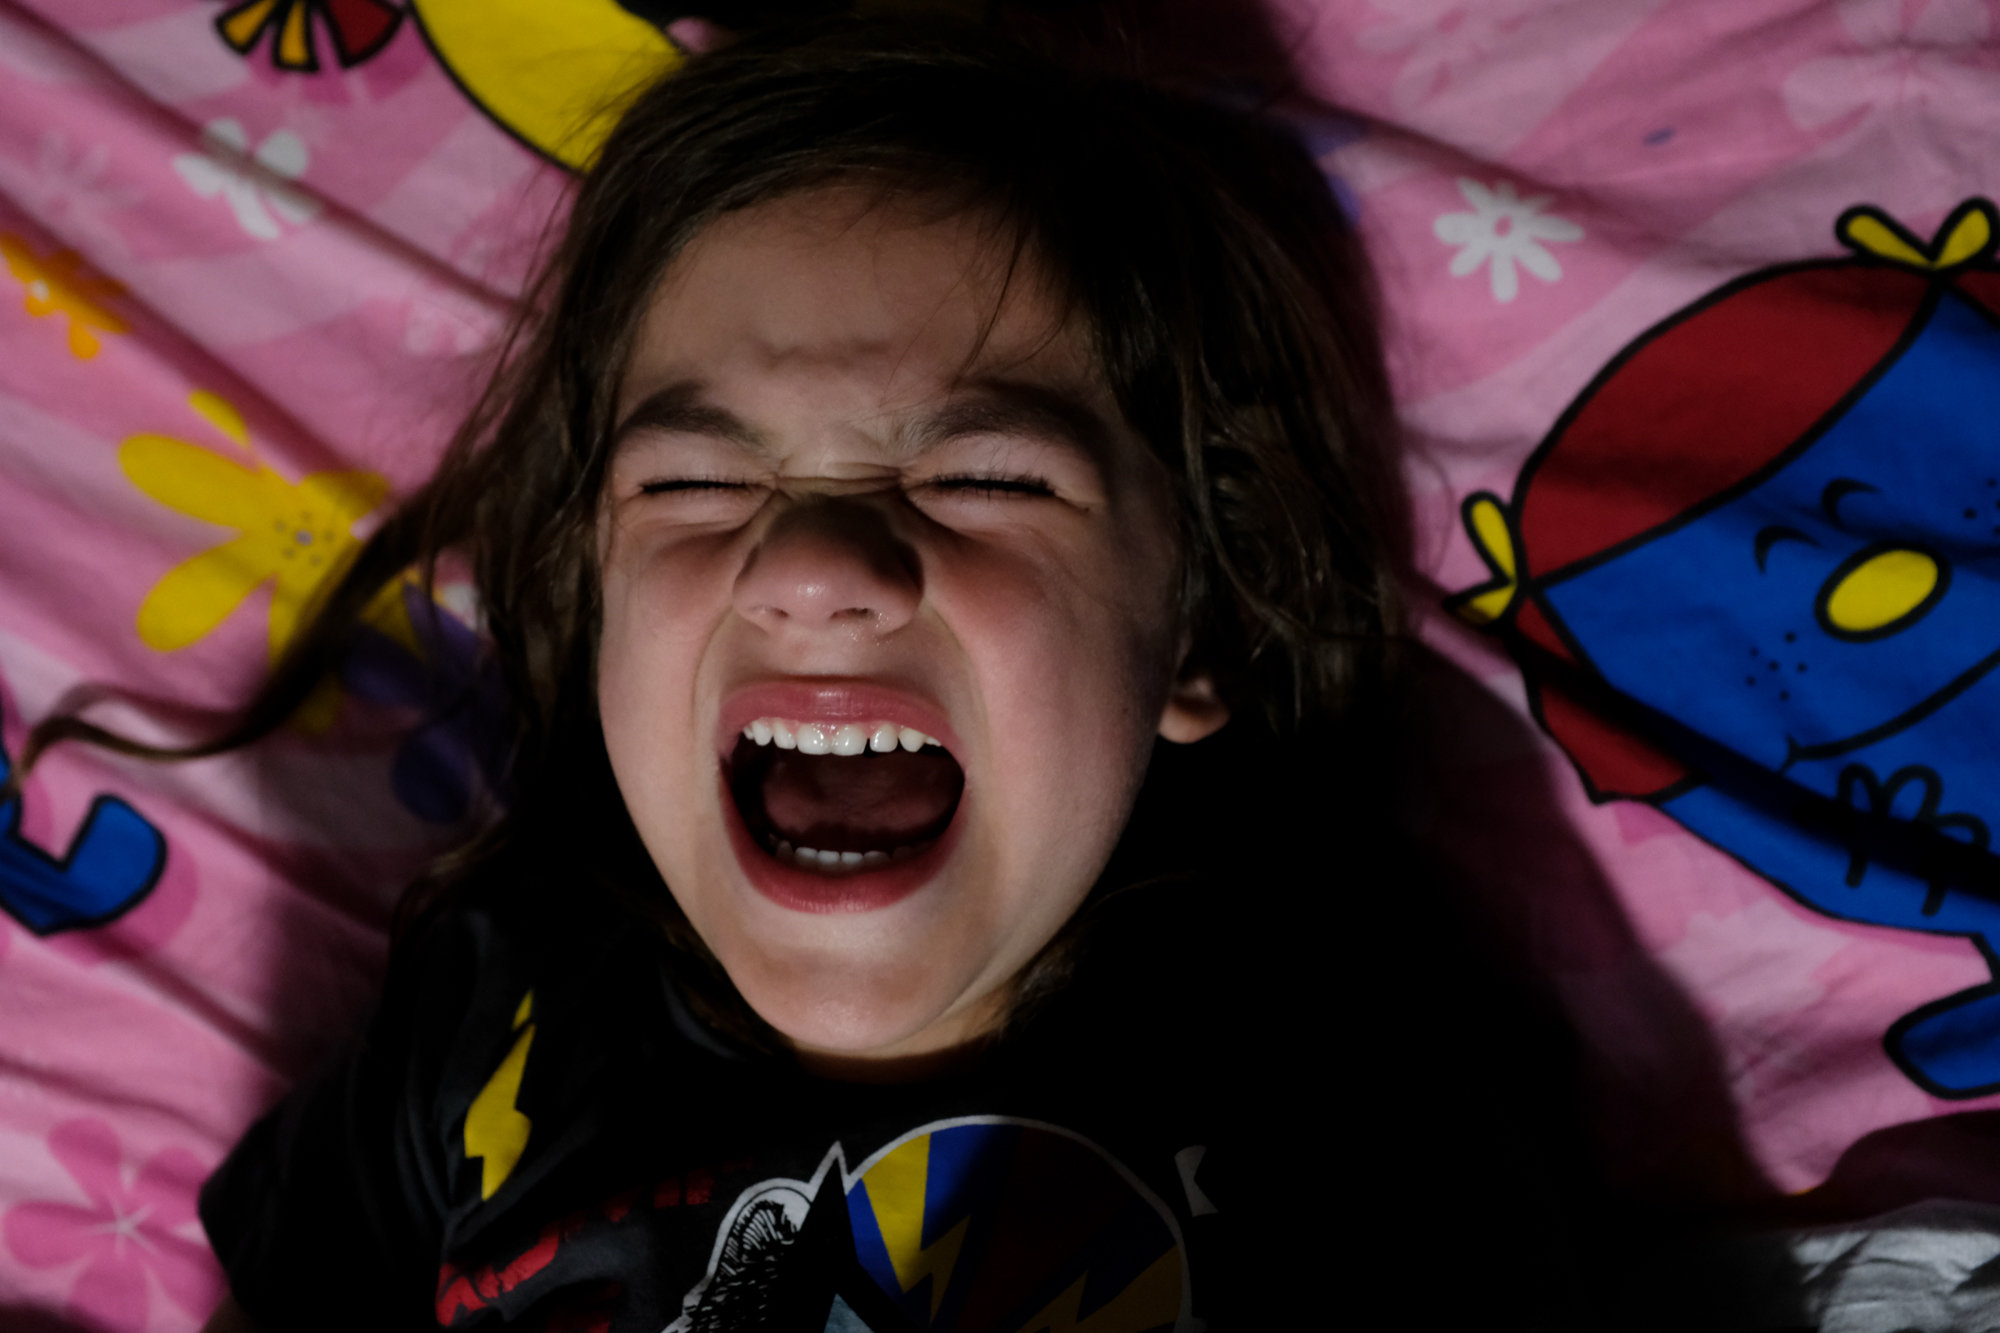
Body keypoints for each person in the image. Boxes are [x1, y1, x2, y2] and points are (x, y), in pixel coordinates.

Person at [21, 16, 1591, 1332]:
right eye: (696, 487)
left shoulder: (1344, 1057)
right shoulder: (494, 1000)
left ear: (1195, 635)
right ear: (591, 597)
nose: (814, 565)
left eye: (987, 477)